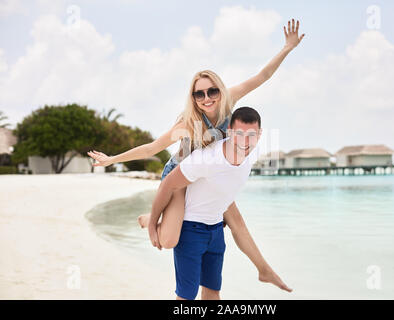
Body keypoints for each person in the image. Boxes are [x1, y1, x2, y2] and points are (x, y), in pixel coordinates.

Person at [87, 19, 305, 248]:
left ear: (220, 89)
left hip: (210, 175)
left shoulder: (230, 98)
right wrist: (112, 159)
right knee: (168, 241)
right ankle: (149, 219)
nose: (207, 98)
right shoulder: (189, 122)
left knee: (233, 222)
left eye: (212, 91)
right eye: (199, 94)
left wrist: (287, 48)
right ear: (193, 98)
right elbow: (152, 148)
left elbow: (262, 76)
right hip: (180, 177)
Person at [149, 107, 292, 300]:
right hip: (190, 229)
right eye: (239, 134)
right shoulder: (207, 159)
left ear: (259, 135)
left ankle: (264, 271)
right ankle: (149, 220)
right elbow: (168, 184)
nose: (244, 141)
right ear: (231, 132)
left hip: (216, 230)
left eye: (251, 135)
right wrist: (152, 223)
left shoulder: (253, 153)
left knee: (213, 291)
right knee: (186, 297)